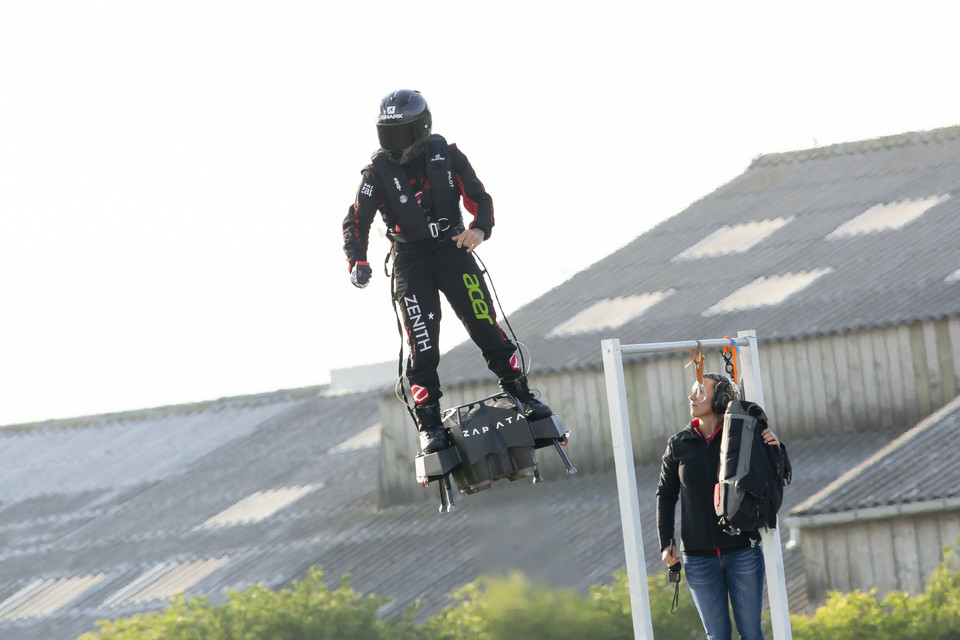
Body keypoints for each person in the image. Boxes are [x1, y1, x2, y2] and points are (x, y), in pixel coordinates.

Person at [342, 89, 551, 455]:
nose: (396, 145)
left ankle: (522, 394)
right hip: (409, 261)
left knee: (486, 325)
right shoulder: (376, 172)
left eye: (403, 134)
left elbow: (479, 197)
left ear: (422, 128)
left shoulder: (448, 155)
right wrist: (357, 260)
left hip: (454, 251)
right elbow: (356, 220)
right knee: (421, 347)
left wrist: (479, 228)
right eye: (388, 135)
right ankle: (430, 426)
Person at [656, 373, 782, 640]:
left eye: (700, 392)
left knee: (751, 633)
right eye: (692, 391)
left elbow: (775, 477)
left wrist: (775, 447)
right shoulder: (678, 444)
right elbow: (665, 496)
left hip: (742, 551)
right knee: (717, 636)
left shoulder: (745, 436)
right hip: (698, 558)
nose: (691, 397)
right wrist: (666, 542)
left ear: (722, 397)